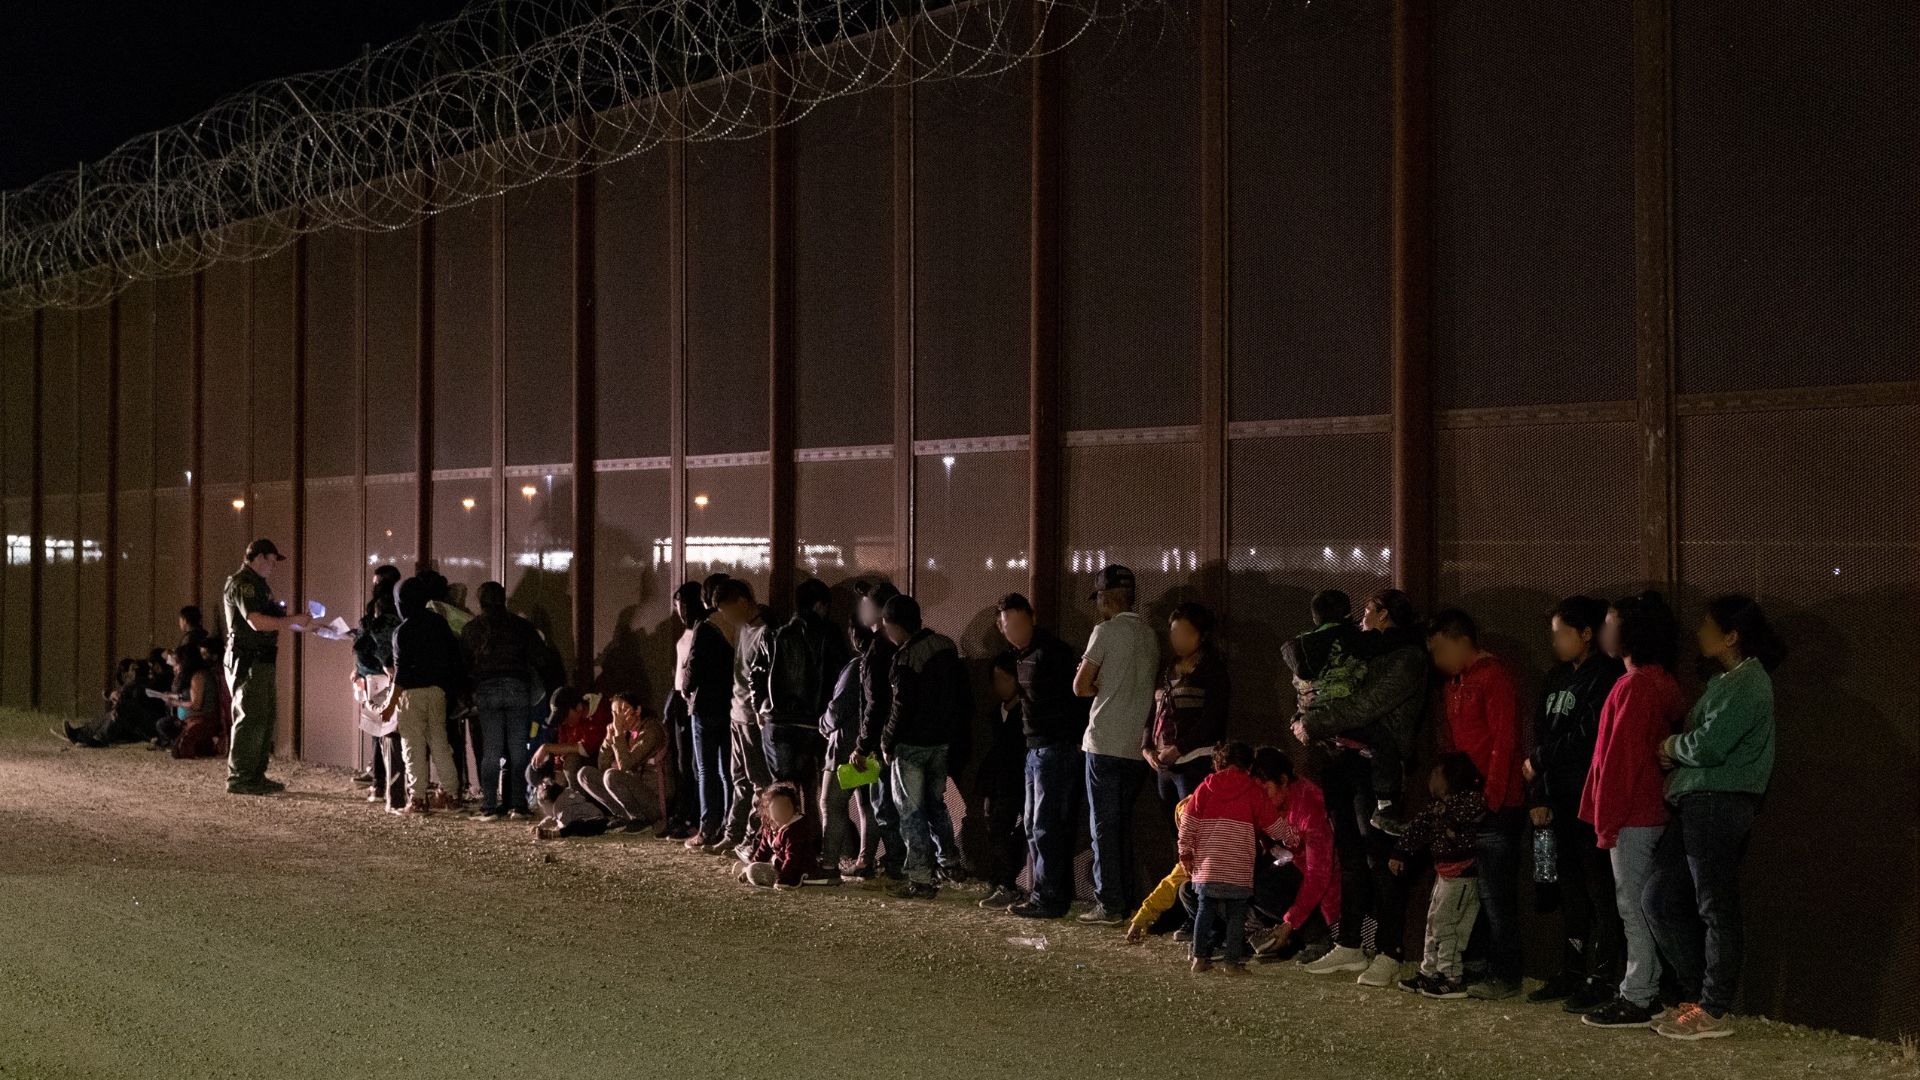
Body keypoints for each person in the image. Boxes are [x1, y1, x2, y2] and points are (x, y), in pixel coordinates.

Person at [1643, 595, 1784, 1042]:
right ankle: (1696, 999)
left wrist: (1670, 747)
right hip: (1697, 801)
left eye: (1707, 626)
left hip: (1718, 801)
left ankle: (1713, 1008)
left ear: (1731, 636)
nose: (1698, 633)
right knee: (1659, 898)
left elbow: (1709, 745)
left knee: (1713, 905)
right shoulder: (1728, 680)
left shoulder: (1749, 681)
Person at [1295, 588, 1425, 987]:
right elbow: (1334, 693)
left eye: (1368, 610)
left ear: (1385, 615)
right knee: (1350, 856)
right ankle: (1350, 944)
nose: (1361, 618)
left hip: (1376, 765)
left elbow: (1366, 705)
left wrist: (1314, 722)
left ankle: (1389, 950)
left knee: (1380, 859)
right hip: (1342, 761)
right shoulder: (1360, 651)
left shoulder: (1406, 657)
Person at [1578, 592, 1687, 1030]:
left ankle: (1639, 995)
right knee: (1643, 904)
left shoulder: (1635, 685)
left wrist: (1607, 823)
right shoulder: (1659, 682)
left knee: (1632, 906)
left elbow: (1620, 761)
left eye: (1610, 622)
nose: (1605, 630)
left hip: (1632, 815)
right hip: (1650, 809)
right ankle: (1648, 989)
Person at [1525, 595, 1629, 1012]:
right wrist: (1538, 795)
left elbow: (1588, 736)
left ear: (1587, 634)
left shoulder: (1606, 677)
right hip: (1555, 802)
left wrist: (1540, 762)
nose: (1555, 642)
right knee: (1565, 887)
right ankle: (1571, 969)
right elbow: (1539, 734)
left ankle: (1602, 976)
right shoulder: (1554, 678)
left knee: (1599, 888)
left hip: (1590, 801)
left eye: (1562, 633)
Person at [1424, 607, 1525, 999]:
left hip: (1494, 804)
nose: (1437, 660)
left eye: (1439, 649)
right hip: (1469, 803)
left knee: (1495, 895)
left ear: (1461, 641)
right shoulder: (1455, 683)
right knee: (1472, 893)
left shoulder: (1493, 676)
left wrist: (1491, 798)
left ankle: (1507, 974)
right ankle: (1476, 964)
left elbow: (1505, 741)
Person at [1073, 564, 1160, 925]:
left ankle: (1109, 903)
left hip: (1104, 739)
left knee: (1103, 828)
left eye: (1099, 598)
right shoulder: (1151, 635)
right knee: (1121, 825)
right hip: (1136, 746)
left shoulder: (1104, 631)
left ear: (1106, 597)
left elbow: (1080, 686)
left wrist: (1099, 687)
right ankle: (1123, 898)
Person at [997, 593, 1089, 920]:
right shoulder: (1021, 654)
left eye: (1020, 624)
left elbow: (1077, 698)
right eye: (1009, 627)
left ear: (1032, 618)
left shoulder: (1053, 653)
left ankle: (1048, 897)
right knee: (1035, 825)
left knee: (1045, 825)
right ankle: (1043, 893)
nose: (1015, 631)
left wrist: (1075, 739)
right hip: (1035, 748)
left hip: (1056, 748)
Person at [876, 594, 970, 900]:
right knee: (936, 805)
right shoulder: (946, 646)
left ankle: (920, 878)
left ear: (894, 626)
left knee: (911, 813)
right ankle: (950, 862)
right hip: (942, 743)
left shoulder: (905, 658)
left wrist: (887, 740)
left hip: (912, 745)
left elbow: (900, 707)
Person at [1177, 741, 1295, 975]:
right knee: (1236, 914)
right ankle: (1232, 963)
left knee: (1204, 910)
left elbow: (1187, 824)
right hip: (1238, 868)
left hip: (1207, 867)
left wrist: (1185, 853)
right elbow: (1272, 824)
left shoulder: (1204, 788)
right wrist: (1293, 838)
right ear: (1248, 766)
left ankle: (1199, 959)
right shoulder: (1253, 791)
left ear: (1218, 763)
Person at [1282, 590, 1388, 830]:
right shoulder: (1356, 641)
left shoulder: (1302, 649)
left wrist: (1304, 720)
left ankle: (1350, 866)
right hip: (1360, 744)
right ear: (1348, 614)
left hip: (1321, 746)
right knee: (1369, 828)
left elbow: (1302, 692)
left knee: (1341, 828)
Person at [1389, 753, 1491, 1000]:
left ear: (1451, 777)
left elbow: (1477, 809)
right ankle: (1429, 972)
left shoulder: (1468, 800)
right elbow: (1416, 830)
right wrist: (1400, 852)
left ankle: (1452, 977)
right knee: (1433, 923)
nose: (1430, 779)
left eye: (1436, 773)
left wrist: (1450, 818)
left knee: (1449, 927)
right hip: (1444, 875)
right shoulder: (1434, 809)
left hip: (1462, 876)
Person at [752, 577, 849, 809]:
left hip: (779, 722)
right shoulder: (830, 634)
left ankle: (783, 840)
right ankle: (810, 839)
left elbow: (755, 674)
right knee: (812, 789)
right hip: (815, 722)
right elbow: (842, 674)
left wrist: (759, 706)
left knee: (782, 790)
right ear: (819, 605)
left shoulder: (774, 636)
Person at [223, 538, 305, 796]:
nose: (272, 566)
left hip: (261, 659)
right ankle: (241, 778)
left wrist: (306, 624)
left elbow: (273, 620)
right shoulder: (243, 584)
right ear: (257, 557)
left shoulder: (258, 585)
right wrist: (293, 621)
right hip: (249, 660)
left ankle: (254, 775)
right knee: (250, 717)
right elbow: (256, 622)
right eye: (270, 560)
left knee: (264, 717)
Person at [1244, 746, 1341, 964]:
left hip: (1323, 880)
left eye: (1265, 790)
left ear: (1284, 780)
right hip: (1294, 864)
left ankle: (1320, 937)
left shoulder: (1310, 804)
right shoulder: (1268, 805)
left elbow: (1319, 874)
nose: (1260, 799)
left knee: (1265, 887)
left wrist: (1290, 923)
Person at [382, 573, 465, 814]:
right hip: (437, 692)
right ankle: (451, 795)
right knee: (440, 743)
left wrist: (390, 705)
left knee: (413, 747)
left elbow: (402, 673)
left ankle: (417, 799)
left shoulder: (402, 631)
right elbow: (452, 657)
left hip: (411, 696)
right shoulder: (438, 623)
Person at [460, 580, 543, 822]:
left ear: (481, 602)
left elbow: (464, 664)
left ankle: (489, 804)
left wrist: (468, 693)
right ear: (504, 599)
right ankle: (517, 804)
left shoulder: (472, 629)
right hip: (517, 686)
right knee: (518, 748)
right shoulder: (521, 626)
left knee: (492, 749)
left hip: (486, 689)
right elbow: (539, 656)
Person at [1144, 601, 1229, 826]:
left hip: (1195, 761)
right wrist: (1146, 747)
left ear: (1201, 636)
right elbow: (1154, 710)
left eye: (1185, 633)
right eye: (1174, 632)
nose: (1177, 639)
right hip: (1163, 764)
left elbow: (1212, 719)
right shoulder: (1168, 668)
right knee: (1175, 830)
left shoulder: (1211, 669)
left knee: (1195, 828)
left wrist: (1179, 749)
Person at [849, 581, 908, 884]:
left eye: (866, 603)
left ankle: (898, 863)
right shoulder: (898, 645)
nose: (861, 609)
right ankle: (899, 859)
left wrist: (863, 744)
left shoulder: (878, 651)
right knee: (894, 804)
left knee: (884, 805)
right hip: (897, 738)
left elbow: (875, 704)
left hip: (883, 743)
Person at [719, 581, 773, 857]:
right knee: (739, 779)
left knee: (758, 782)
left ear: (742, 602)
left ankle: (754, 839)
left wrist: (760, 713)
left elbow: (760, 679)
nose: (726, 617)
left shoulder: (765, 632)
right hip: (737, 714)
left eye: (727, 610)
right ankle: (734, 834)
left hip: (752, 718)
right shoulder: (744, 629)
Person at [684, 577, 738, 852]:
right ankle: (732, 825)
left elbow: (693, 667)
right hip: (732, 706)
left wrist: (685, 689)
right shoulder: (740, 626)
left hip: (705, 706)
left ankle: (708, 827)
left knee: (706, 769)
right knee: (728, 770)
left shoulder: (705, 628)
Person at [817, 616, 871, 885]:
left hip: (846, 746)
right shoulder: (886, 662)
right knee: (867, 806)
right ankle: (865, 860)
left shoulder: (856, 667)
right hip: (870, 746)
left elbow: (838, 709)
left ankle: (828, 864)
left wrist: (824, 724)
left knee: (832, 804)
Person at [573, 691, 669, 832]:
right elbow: (603, 766)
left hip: (654, 802)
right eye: (614, 713)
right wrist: (608, 740)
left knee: (612, 776)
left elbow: (625, 766)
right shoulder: (627, 732)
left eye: (623, 710)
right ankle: (624, 816)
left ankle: (641, 820)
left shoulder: (651, 730)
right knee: (585, 774)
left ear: (637, 710)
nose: (618, 717)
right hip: (633, 795)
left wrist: (618, 735)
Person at [976, 651, 1029, 909]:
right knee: (994, 830)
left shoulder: (1025, 711)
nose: (1001, 684)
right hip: (996, 780)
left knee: (1013, 830)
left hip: (1017, 780)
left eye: (1006, 678)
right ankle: (1001, 882)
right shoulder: (995, 713)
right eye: (997, 679)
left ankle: (1007, 884)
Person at [353, 565, 403, 805]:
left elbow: (362, 646)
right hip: (399, 677)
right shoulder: (403, 611)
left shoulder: (375, 614)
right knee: (395, 733)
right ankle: (396, 787)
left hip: (374, 678)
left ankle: (379, 785)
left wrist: (359, 672)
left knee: (377, 732)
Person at [661, 581, 708, 839]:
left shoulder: (703, 629)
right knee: (683, 761)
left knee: (694, 762)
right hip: (680, 696)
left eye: (683, 605)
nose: (681, 611)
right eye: (679, 606)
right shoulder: (688, 631)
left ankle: (693, 814)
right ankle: (683, 812)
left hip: (691, 697)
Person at [737, 781, 822, 889]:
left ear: (794, 807)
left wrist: (783, 880)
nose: (781, 810)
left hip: (798, 868)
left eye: (785, 806)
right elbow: (763, 850)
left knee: (754, 871)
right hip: (779, 865)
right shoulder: (769, 826)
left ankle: (761, 873)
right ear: (767, 809)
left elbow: (793, 858)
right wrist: (752, 865)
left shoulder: (796, 828)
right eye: (777, 807)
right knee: (753, 868)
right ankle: (748, 870)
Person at [526, 736, 608, 840]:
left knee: (575, 827)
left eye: (544, 808)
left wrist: (558, 828)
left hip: (596, 821)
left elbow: (562, 821)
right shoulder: (563, 799)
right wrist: (540, 826)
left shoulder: (564, 810)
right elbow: (552, 818)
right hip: (595, 817)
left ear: (549, 804)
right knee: (574, 825)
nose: (544, 811)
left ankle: (555, 834)